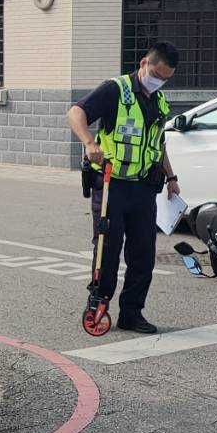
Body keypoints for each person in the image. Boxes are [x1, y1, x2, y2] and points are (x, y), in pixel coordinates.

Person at [65, 42, 183, 334]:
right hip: (111, 185)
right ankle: (98, 303)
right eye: (156, 73)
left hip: (144, 187)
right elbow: (75, 113)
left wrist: (171, 177)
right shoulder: (116, 90)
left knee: (143, 253)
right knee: (108, 247)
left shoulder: (159, 100)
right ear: (144, 63)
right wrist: (89, 143)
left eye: (165, 78)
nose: (158, 80)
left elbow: (158, 142)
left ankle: (132, 313)